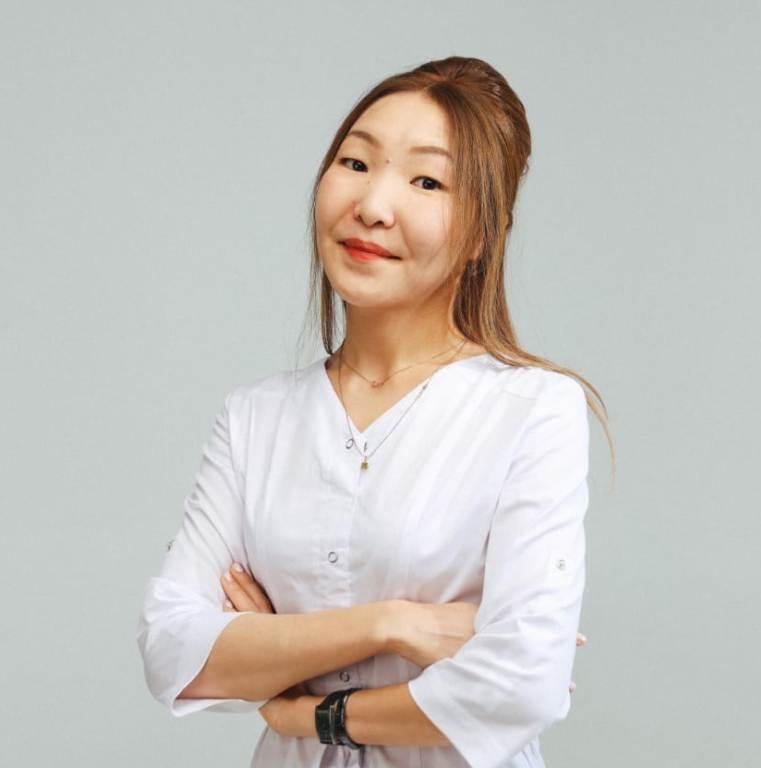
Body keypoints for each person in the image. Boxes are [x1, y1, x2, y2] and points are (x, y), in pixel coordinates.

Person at [136, 55, 613, 768]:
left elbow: (520, 687)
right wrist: (392, 626)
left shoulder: (532, 409)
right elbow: (170, 648)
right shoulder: (255, 418)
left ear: (482, 235)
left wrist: (300, 705)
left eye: (427, 181)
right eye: (356, 163)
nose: (373, 206)